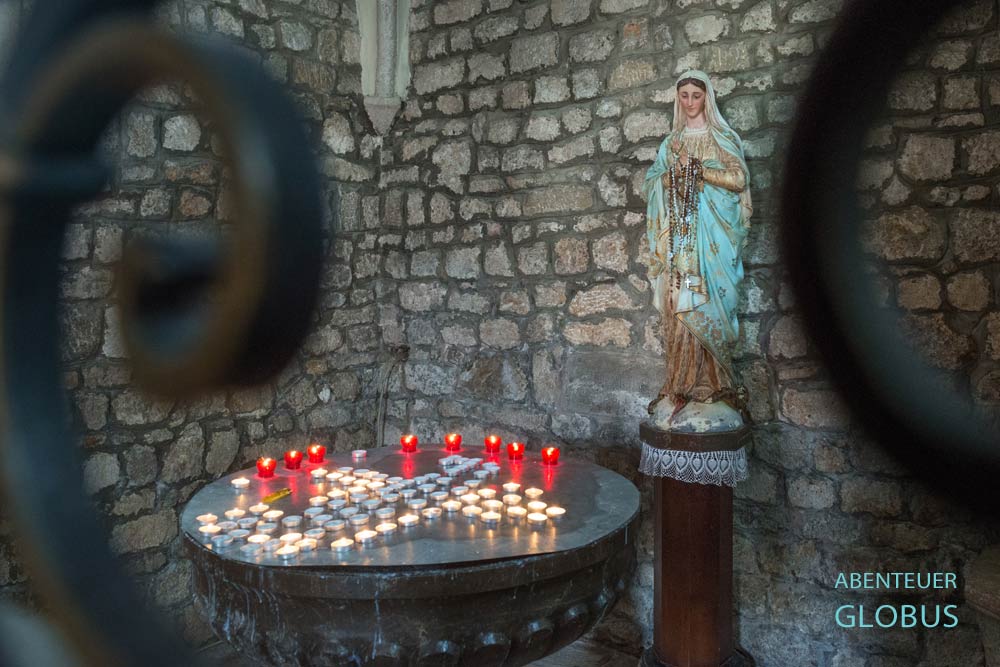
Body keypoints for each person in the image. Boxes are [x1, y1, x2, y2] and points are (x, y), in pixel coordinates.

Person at [643, 70, 753, 427]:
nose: (690, 102)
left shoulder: (721, 137)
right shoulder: (671, 143)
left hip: (711, 245)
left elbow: (738, 179)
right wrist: (670, 175)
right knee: (679, 306)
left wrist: (699, 171)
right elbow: (652, 184)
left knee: (708, 304)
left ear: (707, 98)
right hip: (679, 244)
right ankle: (680, 383)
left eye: (696, 95)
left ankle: (712, 382)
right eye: (684, 95)